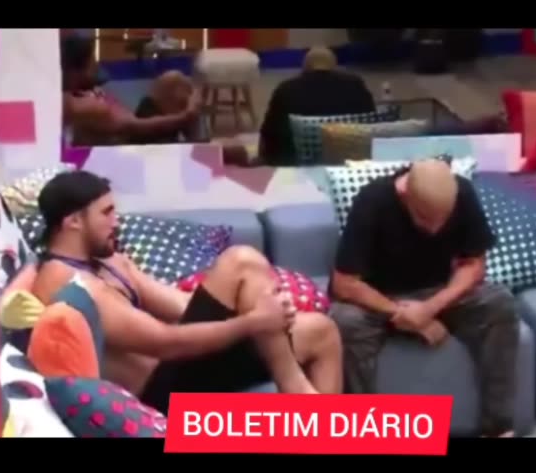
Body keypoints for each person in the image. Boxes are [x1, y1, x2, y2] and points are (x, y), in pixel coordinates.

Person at [29, 170, 343, 413]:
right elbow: (165, 342)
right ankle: (296, 389)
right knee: (241, 260)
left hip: (184, 369)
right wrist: (253, 322)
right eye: (106, 212)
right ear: (73, 221)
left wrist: (259, 309)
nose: (116, 221)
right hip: (156, 391)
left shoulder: (111, 262)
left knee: (320, 330)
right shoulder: (64, 280)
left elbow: (183, 306)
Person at [328, 159, 520, 438]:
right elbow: (344, 283)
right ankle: (364, 433)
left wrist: (430, 308)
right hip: (378, 297)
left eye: (443, 220)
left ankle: (498, 428)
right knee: (344, 321)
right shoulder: (372, 200)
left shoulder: (463, 192)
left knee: (499, 302)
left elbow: (474, 264)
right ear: (405, 193)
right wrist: (406, 315)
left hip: (437, 292)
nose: (435, 229)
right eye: (425, 219)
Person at [60, 36, 201, 146]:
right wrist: (184, 117)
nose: (96, 64)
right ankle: (196, 147)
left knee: (172, 80)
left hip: (132, 128)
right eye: (92, 62)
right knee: (176, 87)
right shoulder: (83, 106)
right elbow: (136, 127)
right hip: (130, 146)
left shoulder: (84, 91)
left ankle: (196, 144)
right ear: (75, 73)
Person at [257, 46, 376, 166]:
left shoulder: (286, 89)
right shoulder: (356, 86)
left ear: (304, 68)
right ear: (334, 67)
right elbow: (372, 122)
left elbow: (269, 132)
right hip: (349, 161)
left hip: (292, 163)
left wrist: (263, 158)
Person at [130, 70, 203, 144]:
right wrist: (189, 114)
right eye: (182, 103)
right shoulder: (148, 114)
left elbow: (192, 141)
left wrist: (192, 116)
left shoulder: (177, 115)